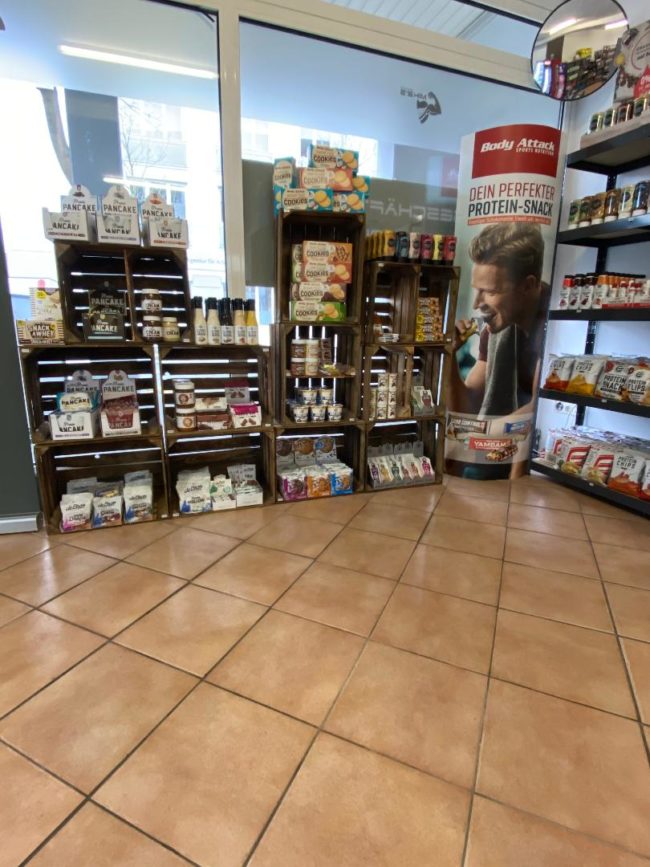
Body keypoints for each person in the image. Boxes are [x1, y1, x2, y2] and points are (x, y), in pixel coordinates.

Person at [449, 221, 548, 419]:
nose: (476, 304)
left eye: (490, 291)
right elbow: (468, 409)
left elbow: (539, 410)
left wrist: (482, 432)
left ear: (528, 286)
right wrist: (449, 355)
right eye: (477, 290)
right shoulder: (496, 327)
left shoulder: (556, 325)